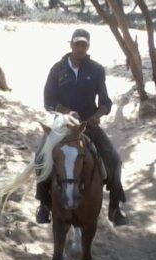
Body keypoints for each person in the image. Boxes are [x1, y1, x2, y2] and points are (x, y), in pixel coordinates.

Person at [36, 28, 128, 226]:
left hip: (88, 124)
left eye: (83, 44)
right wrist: (66, 112)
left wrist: (96, 116)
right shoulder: (57, 69)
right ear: (70, 45)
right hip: (62, 125)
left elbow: (105, 102)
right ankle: (43, 204)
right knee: (40, 158)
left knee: (114, 158)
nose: (79, 48)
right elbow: (48, 101)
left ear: (88, 46)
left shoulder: (96, 69)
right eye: (76, 44)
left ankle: (115, 207)